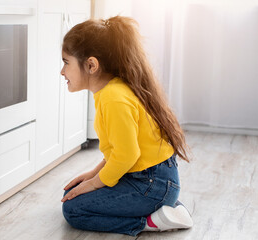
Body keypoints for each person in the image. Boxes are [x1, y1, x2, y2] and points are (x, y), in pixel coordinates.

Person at [60, 16, 193, 236]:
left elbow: (126, 155)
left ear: (91, 65)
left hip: (151, 183)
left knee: (73, 210)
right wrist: (93, 175)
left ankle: (150, 221)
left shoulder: (114, 98)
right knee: (74, 191)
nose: (62, 72)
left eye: (66, 62)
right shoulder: (109, 92)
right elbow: (117, 150)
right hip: (149, 178)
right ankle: (167, 207)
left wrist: (94, 184)